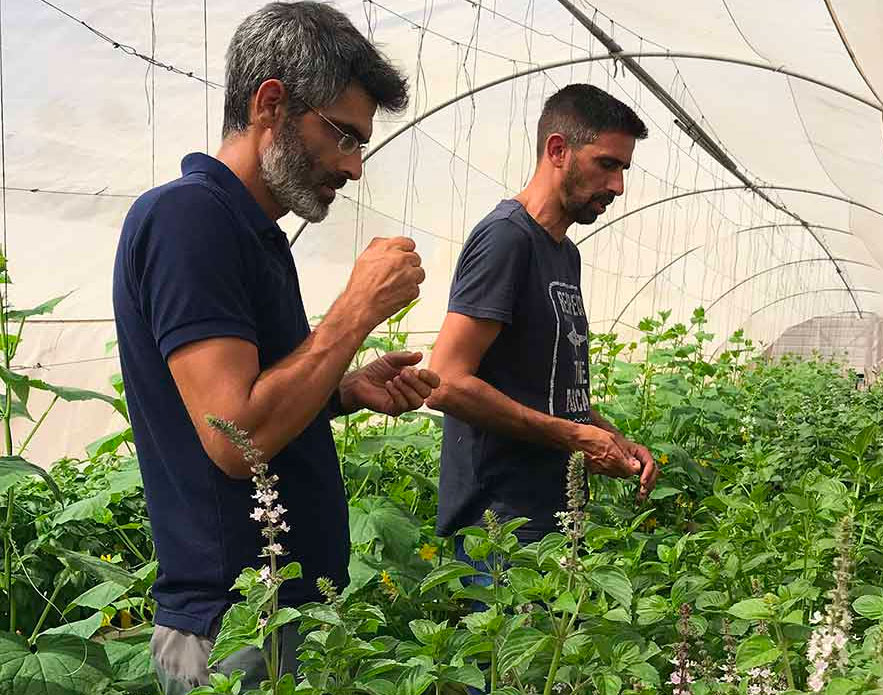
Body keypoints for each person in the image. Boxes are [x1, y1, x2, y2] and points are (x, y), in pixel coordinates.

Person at [112, 3, 437, 692]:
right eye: (345, 136)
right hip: (236, 631)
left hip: (282, 619)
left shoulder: (252, 232)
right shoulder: (189, 219)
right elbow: (236, 438)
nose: (353, 168)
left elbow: (255, 401)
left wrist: (343, 390)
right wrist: (354, 313)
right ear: (272, 104)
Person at [427, 84, 660, 566]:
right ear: (558, 150)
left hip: (550, 516)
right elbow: (446, 382)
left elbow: (548, 390)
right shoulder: (506, 240)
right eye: (607, 164)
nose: (618, 187)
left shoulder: (563, 254)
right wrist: (576, 438)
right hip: (499, 531)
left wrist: (610, 438)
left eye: (624, 169)